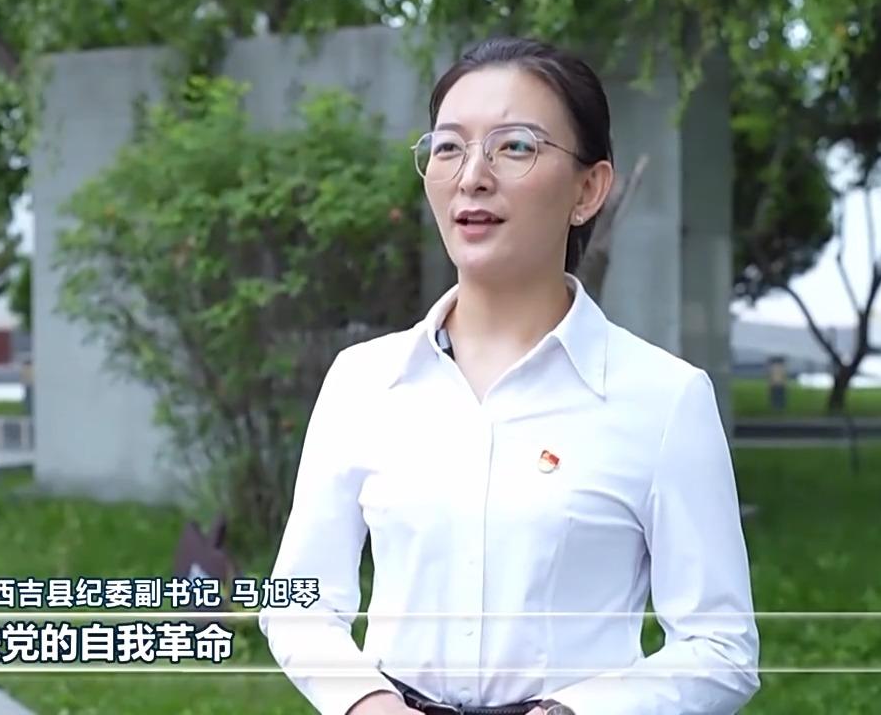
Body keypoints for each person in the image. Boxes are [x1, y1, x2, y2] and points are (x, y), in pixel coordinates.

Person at [258, 35, 760, 715]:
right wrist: (367, 703)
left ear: (588, 189)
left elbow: (720, 648)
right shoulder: (363, 381)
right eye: (448, 147)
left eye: (515, 146)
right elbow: (300, 605)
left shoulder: (664, 399)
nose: (472, 176)